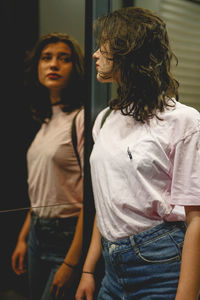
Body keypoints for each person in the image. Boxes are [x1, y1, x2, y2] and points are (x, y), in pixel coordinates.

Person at [75, 7, 200, 300]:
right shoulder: (105, 118)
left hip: (161, 263)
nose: (94, 54)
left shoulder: (184, 121)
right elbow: (107, 201)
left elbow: (197, 219)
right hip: (112, 267)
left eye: (103, 46)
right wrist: (88, 270)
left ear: (128, 51)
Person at [11, 32, 85, 300]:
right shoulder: (45, 121)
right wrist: (23, 237)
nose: (53, 64)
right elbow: (40, 191)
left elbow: (93, 198)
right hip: (36, 232)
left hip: (66, 236)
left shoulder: (81, 119)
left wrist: (72, 263)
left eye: (63, 59)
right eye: (46, 58)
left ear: (75, 68)